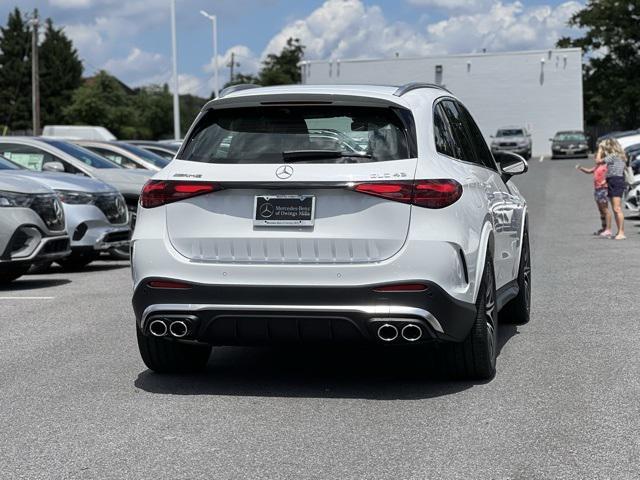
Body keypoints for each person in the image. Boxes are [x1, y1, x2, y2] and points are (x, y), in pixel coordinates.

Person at [596, 138, 628, 240]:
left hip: (615, 182)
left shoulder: (613, 156)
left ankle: (621, 232)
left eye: (605, 147)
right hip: (614, 180)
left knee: (617, 208)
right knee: (615, 209)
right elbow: (615, 171)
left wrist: (600, 150)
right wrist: (606, 180)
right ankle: (619, 231)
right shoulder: (619, 156)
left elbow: (598, 161)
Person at [576, 158, 610, 236]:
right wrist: (581, 168)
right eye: (595, 157)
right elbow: (589, 171)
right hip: (597, 189)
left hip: (603, 189)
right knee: (601, 210)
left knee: (605, 210)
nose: (596, 159)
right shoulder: (597, 166)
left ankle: (608, 229)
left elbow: (610, 174)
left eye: (598, 157)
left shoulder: (606, 166)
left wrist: (605, 181)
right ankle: (604, 228)